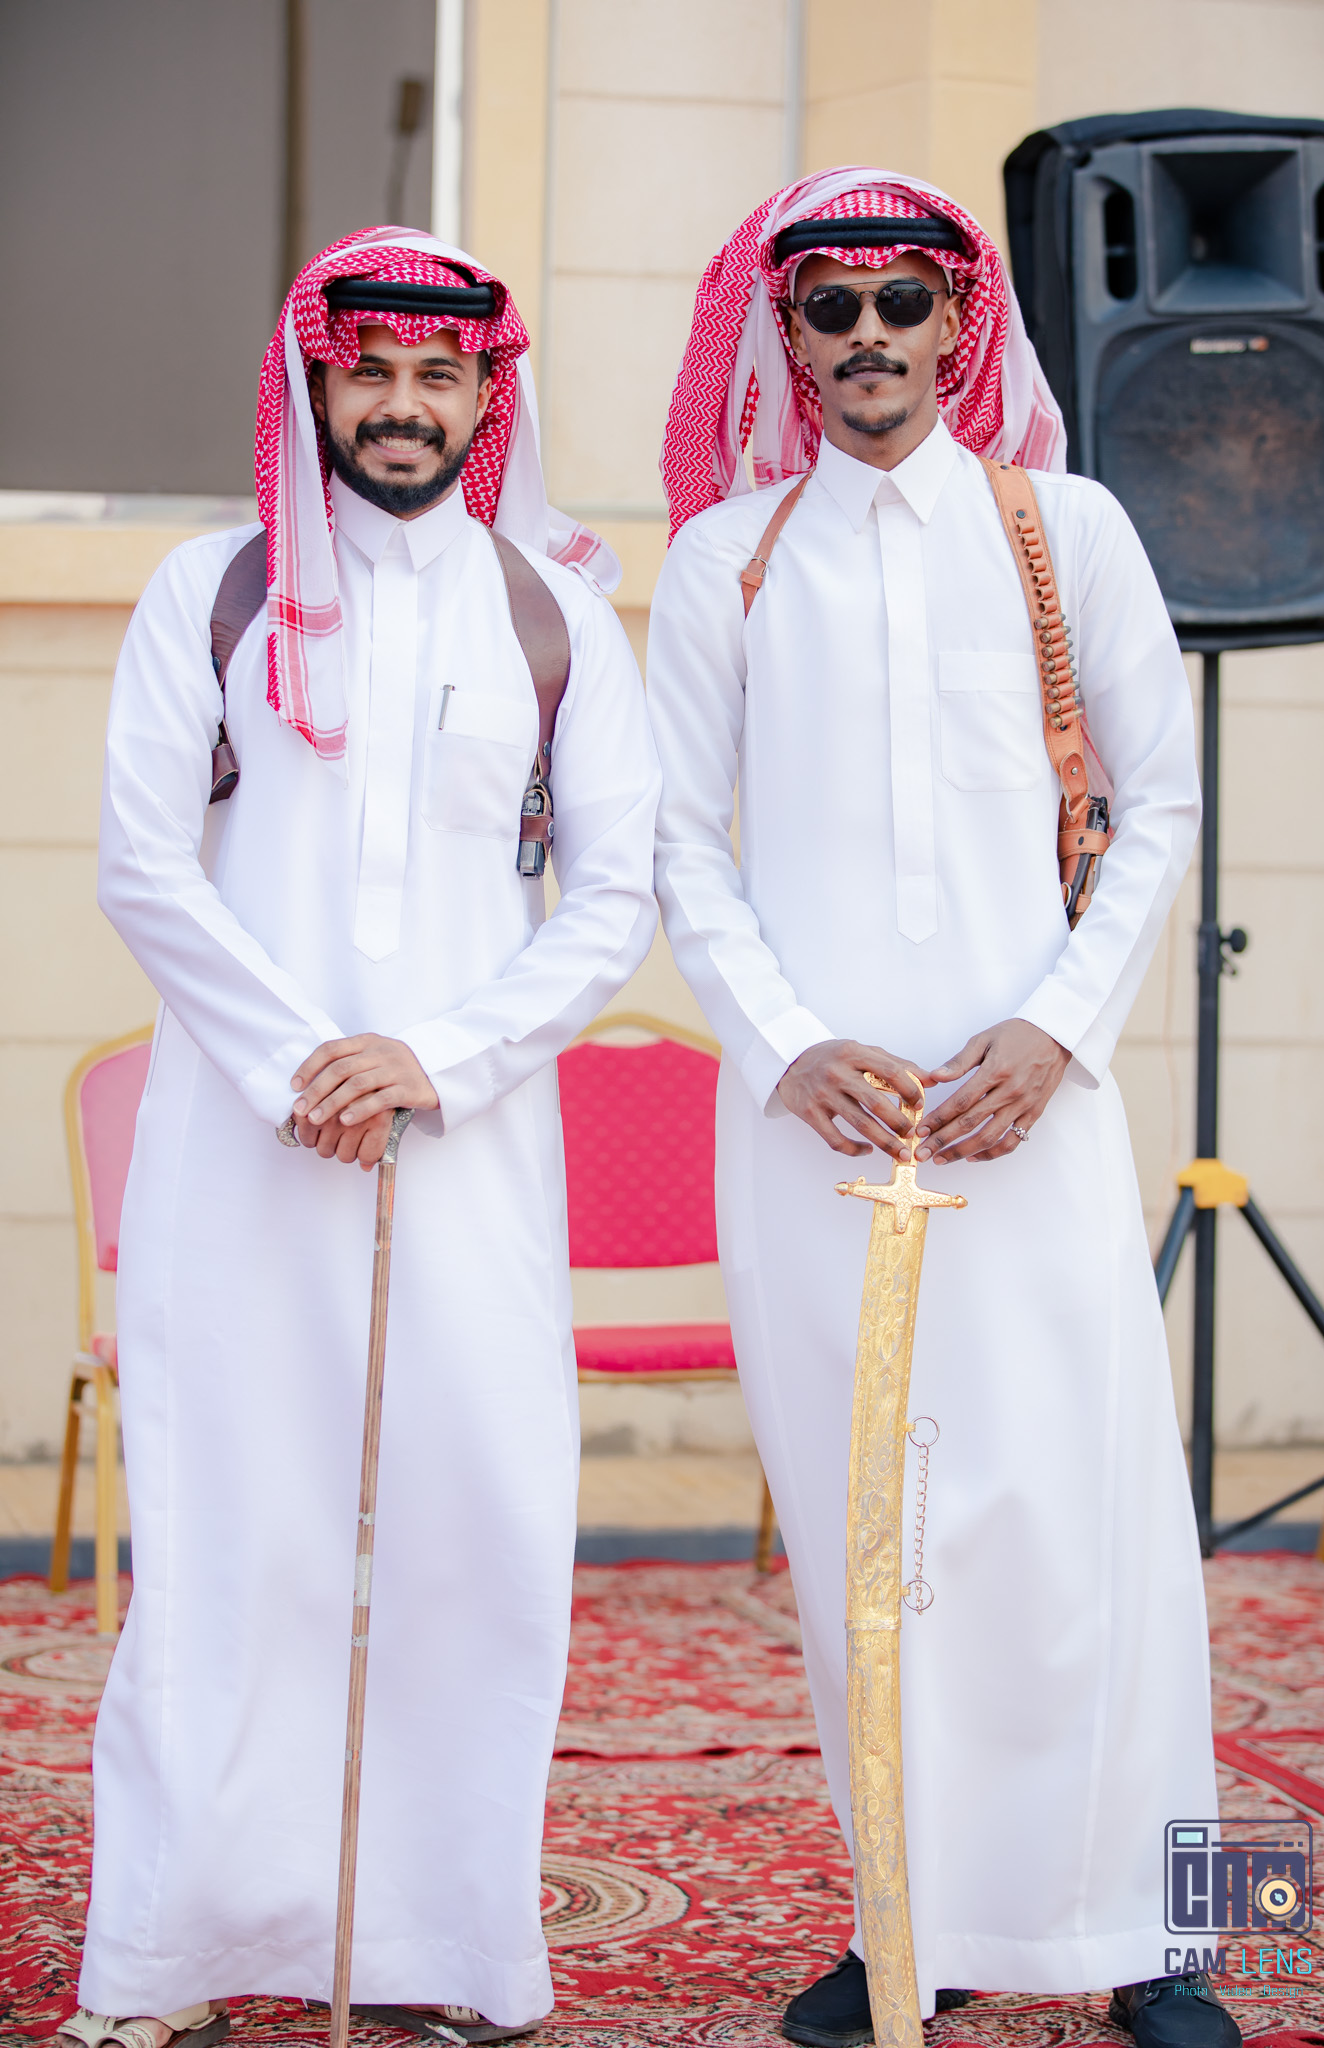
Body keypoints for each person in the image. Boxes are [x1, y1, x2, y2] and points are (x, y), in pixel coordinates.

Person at [648, 167, 1238, 2048]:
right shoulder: (724, 561)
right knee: (872, 1539)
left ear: (957, 321)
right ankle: (910, 1921)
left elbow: (1158, 803)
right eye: (829, 307)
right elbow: (675, 842)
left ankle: (1178, 1937)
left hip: (1036, 1120)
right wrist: (783, 1044)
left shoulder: (1068, 530)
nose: (869, 336)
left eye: (903, 300)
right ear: (785, 334)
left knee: (1094, 1522)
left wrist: (1058, 1031)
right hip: (814, 1134)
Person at [63, 229, 660, 2048]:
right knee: (224, 1538)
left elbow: (612, 896)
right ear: (315, 382)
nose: (402, 405)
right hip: (239, 1154)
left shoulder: (554, 612)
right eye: (370, 371)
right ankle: (166, 1955)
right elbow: (143, 866)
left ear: (487, 395)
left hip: (470, 1157)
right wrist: (305, 1063)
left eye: (437, 376)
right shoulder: (210, 592)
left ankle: (455, 1951)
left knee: (478, 1533)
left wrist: (435, 1060)